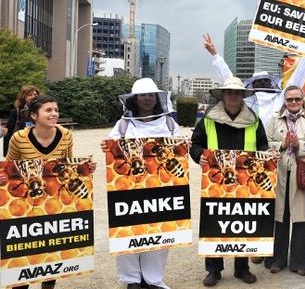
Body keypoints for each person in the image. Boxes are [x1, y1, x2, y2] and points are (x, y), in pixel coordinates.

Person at [3, 94, 96, 289]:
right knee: (23, 250)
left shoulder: (66, 135)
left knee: (51, 249)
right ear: (34, 115)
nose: (54, 114)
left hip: (54, 201)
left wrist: (86, 168)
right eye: (48, 110)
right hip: (26, 203)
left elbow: (67, 164)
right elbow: (9, 167)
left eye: (56, 110)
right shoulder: (19, 138)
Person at [190, 76, 268, 287]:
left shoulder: (254, 120)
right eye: (229, 92)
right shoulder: (208, 119)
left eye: (237, 92)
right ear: (223, 95)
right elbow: (195, 144)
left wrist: (264, 158)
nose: (233, 95)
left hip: (245, 181)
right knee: (214, 223)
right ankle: (213, 270)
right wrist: (200, 156)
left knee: (242, 223)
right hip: (215, 181)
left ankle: (242, 268)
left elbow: (262, 146)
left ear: (242, 96)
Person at [104, 78, 180, 289]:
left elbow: (179, 151)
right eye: (142, 95)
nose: (147, 99)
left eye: (150, 95)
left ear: (157, 99)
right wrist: (106, 147)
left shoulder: (170, 124)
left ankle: (153, 279)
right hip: (129, 188)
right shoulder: (123, 124)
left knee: (158, 231)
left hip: (161, 188)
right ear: (134, 99)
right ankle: (131, 280)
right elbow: (112, 150)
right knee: (128, 230)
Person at [265, 85, 305, 276]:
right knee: (280, 216)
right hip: (281, 172)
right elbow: (265, 143)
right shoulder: (275, 118)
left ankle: (301, 261)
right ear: (284, 100)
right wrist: (282, 144)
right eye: (289, 99)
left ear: (303, 99)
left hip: (303, 172)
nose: (293, 103)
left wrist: (299, 144)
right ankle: (277, 259)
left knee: (302, 217)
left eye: (297, 99)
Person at [202, 33, 305, 127]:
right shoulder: (246, 99)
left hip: (273, 142)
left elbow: (295, 82)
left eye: (265, 80)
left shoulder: (279, 98)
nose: (263, 83)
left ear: (270, 83)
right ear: (253, 84)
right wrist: (215, 55)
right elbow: (229, 79)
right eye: (259, 81)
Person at [3, 85, 39, 155]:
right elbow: (9, 133)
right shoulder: (16, 112)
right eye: (30, 95)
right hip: (21, 150)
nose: (33, 96)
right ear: (24, 97)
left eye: (35, 94)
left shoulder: (42, 111)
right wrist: (7, 154)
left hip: (38, 149)